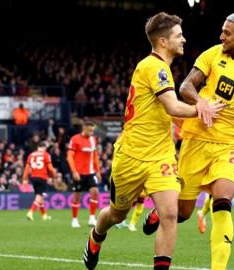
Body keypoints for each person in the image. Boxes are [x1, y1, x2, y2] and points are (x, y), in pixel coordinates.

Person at [82, 12, 224, 270]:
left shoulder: (162, 68)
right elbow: (172, 106)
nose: (184, 39)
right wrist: (202, 109)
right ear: (162, 41)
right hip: (131, 157)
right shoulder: (153, 67)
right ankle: (96, 236)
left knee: (170, 214)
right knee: (116, 214)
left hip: (160, 157)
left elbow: (167, 111)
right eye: (179, 35)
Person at [142, 11, 234, 270]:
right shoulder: (212, 54)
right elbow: (185, 87)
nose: (221, 36)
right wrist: (201, 103)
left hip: (231, 144)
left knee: (223, 202)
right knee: (182, 213)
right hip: (196, 138)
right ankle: (157, 213)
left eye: (227, 33)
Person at [67, 120, 101, 228]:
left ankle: (92, 218)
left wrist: (98, 171)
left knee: (95, 192)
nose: (92, 133)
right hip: (79, 173)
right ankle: (74, 219)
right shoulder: (75, 139)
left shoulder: (93, 140)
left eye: (93, 131)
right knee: (77, 196)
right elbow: (69, 157)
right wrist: (74, 171)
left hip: (90, 172)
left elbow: (95, 156)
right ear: (84, 128)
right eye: (90, 130)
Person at [23, 142, 56, 221]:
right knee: (39, 196)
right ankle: (30, 212)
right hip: (42, 177)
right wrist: (53, 175)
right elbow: (50, 168)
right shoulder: (46, 155)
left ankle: (44, 215)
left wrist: (24, 179)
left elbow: (27, 168)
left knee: (39, 197)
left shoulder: (31, 155)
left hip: (33, 177)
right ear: (44, 147)